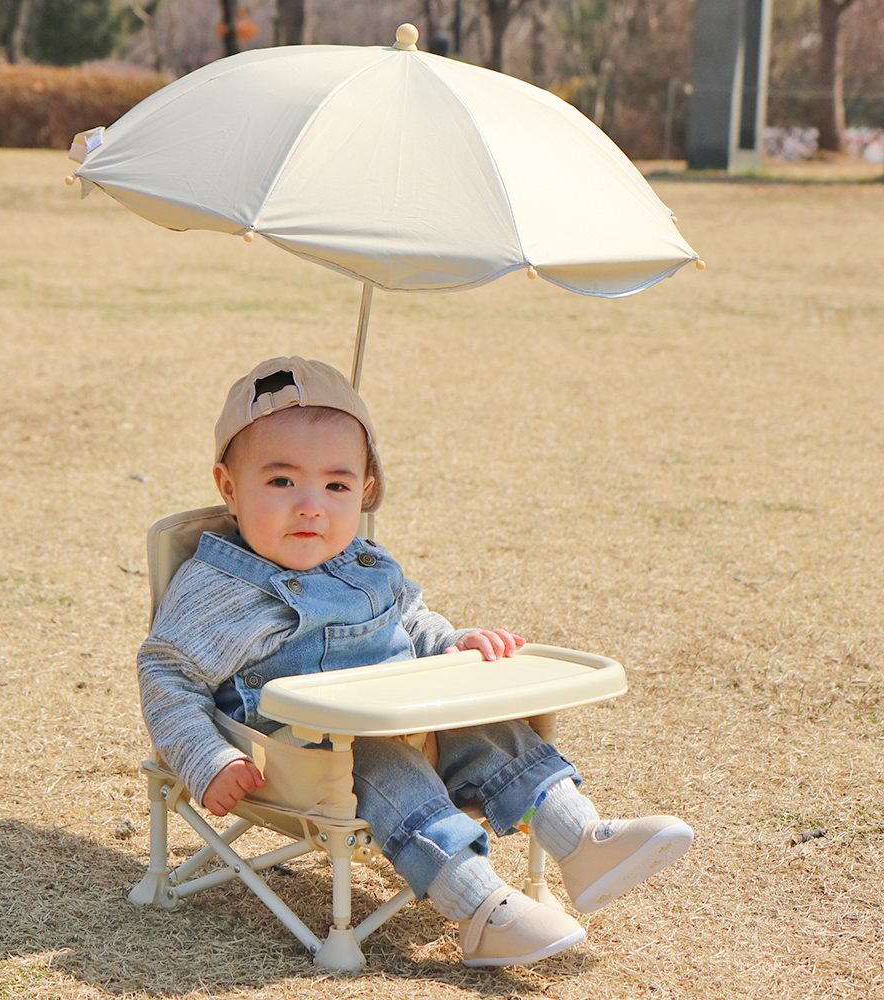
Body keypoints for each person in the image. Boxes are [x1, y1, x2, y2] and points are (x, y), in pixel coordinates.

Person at [138, 356, 694, 968]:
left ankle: (580, 837)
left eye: (337, 486)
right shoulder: (216, 586)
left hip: (409, 714)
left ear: (364, 489)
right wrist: (206, 758)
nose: (311, 506)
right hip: (303, 753)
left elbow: (410, 620)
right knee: (385, 766)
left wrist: (454, 644)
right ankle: (480, 908)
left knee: (489, 728)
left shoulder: (365, 560)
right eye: (281, 482)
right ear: (228, 487)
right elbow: (167, 673)